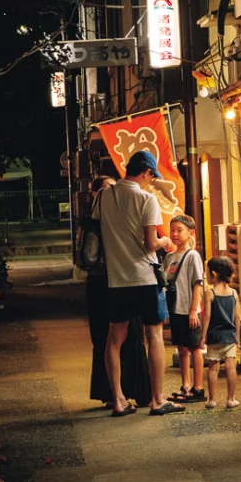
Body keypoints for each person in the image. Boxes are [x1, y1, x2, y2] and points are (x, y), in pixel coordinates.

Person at [99, 149, 184, 416]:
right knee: (154, 335)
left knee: (114, 339)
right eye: (151, 176)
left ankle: (119, 400)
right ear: (145, 172)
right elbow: (150, 243)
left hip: (116, 278)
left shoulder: (104, 196)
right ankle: (157, 400)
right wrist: (164, 241)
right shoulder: (147, 199)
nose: (151, 181)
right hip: (145, 278)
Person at [85, 177, 151, 409]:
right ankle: (114, 394)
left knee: (132, 335)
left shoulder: (119, 216)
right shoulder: (97, 220)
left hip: (121, 279)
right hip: (104, 281)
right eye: (105, 190)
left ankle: (137, 392)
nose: (112, 194)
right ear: (95, 195)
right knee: (105, 338)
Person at [163, 215, 205, 403]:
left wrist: (194, 310)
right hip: (175, 309)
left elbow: (198, 284)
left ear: (191, 233)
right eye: (172, 230)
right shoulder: (169, 257)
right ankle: (185, 385)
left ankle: (198, 388)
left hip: (189, 310)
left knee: (194, 348)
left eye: (179, 230)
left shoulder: (192, 256)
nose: (174, 234)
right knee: (181, 348)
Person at [200, 256, 240, 409]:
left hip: (214, 336)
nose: (207, 276)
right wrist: (237, 335)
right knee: (231, 367)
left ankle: (212, 400)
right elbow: (237, 316)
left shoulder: (209, 293)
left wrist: (203, 336)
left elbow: (206, 316)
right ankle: (231, 399)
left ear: (215, 274)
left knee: (213, 368)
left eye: (208, 273)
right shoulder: (234, 293)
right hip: (230, 336)